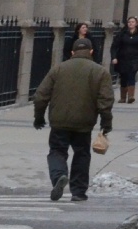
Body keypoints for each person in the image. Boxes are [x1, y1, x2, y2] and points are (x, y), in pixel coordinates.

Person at [33, 36, 113, 202]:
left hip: (59, 121)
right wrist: (106, 124)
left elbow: (41, 96)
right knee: (82, 154)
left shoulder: (58, 69)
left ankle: (59, 176)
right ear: (91, 51)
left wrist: (39, 117)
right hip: (84, 122)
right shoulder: (100, 71)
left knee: (57, 151)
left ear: (72, 52)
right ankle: (78, 191)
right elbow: (105, 101)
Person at [111, 17, 138, 104]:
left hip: (134, 59)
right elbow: (114, 46)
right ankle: (123, 97)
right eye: (129, 22)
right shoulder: (122, 34)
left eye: (133, 22)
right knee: (123, 77)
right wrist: (114, 57)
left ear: (136, 24)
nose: (131, 23)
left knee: (131, 75)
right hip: (122, 58)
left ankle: (131, 96)